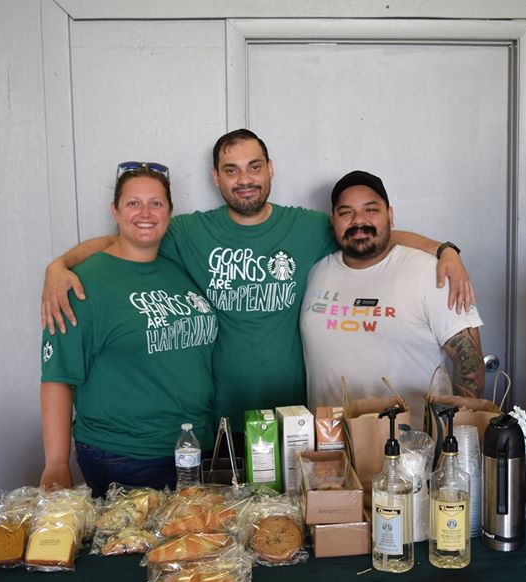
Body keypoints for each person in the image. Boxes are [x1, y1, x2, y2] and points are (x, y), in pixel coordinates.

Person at [40, 130, 475, 436]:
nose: (244, 179)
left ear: (270, 170)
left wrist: (444, 249)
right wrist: (60, 264)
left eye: (253, 167)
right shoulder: (190, 231)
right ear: (216, 178)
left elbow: (365, 232)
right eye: (231, 170)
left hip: (294, 415)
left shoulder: (305, 227)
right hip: (220, 418)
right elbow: (128, 237)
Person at [40, 163, 218, 497]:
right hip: (124, 453)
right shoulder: (83, 284)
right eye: (133, 203)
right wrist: (56, 464)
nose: (145, 213)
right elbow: (57, 376)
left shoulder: (176, 268)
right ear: (115, 211)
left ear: (170, 212)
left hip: (193, 451)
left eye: (156, 203)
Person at [300, 170, 485, 427]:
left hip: (415, 451)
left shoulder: (431, 273)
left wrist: (456, 439)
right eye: (346, 212)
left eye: (371, 210)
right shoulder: (316, 271)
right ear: (333, 221)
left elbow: (469, 363)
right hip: (330, 447)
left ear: (390, 215)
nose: (358, 221)